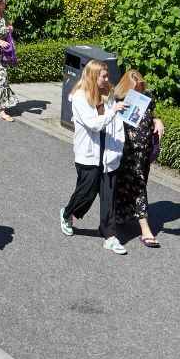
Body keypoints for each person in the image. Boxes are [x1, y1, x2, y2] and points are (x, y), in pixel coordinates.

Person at [61, 60, 127, 255]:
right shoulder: (80, 97)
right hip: (88, 155)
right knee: (86, 194)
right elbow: (94, 124)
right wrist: (113, 112)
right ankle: (67, 213)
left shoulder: (108, 93)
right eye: (103, 76)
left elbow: (117, 120)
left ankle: (110, 236)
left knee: (109, 196)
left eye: (107, 75)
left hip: (108, 154)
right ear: (92, 76)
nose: (107, 79)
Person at [110, 69, 166, 249]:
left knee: (130, 184)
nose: (140, 92)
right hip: (127, 152)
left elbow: (151, 116)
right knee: (138, 185)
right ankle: (145, 230)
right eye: (136, 89)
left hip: (144, 151)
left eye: (141, 87)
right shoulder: (117, 101)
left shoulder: (147, 97)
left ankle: (119, 213)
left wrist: (157, 120)